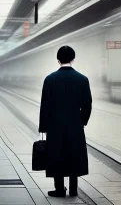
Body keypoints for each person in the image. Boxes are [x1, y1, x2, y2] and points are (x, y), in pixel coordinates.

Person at [39, 46, 92, 197]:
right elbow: (87, 104)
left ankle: (59, 189)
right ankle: (74, 189)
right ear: (73, 60)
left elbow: (45, 106)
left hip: (55, 126)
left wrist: (43, 127)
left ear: (58, 60)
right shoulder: (82, 79)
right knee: (74, 154)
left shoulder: (50, 79)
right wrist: (82, 121)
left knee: (57, 155)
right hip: (75, 125)